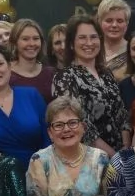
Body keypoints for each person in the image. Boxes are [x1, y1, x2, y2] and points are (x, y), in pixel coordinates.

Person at [52, 15, 127, 156]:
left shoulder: (106, 73)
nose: (89, 43)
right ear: (71, 44)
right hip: (90, 159)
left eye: (93, 37)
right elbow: (79, 124)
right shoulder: (65, 77)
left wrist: (126, 149)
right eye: (82, 38)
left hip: (121, 156)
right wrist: (112, 155)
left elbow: (121, 114)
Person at [9, 19, 56, 103]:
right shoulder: (6, 74)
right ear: (15, 42)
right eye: (25, 39)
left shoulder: (51, 73)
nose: (31, 44)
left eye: (35, 38)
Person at [98, 0, 132, 81]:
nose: (114, 25)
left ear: (127, 23)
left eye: (119, 21)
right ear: (100, 22)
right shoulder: (92, 49)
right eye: (109, 20)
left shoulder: (133, 52)